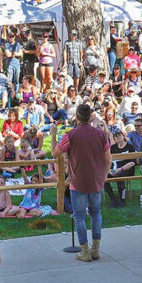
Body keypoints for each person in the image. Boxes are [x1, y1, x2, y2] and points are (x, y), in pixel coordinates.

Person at [53, 104, 110, 262]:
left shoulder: (71, 135)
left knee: (79, 217)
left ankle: (85, 251)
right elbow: (108, 159)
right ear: (90, 116)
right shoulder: (101, 134)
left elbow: (55, 153)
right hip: (96, 180)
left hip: (78, 181)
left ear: (77, 117)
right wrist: (104, 176)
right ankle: (96, 249)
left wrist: (52, 135)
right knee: (95, 213)